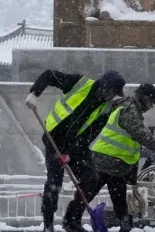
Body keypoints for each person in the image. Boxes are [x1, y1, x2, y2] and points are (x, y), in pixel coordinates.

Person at [61, 83, 155, 232]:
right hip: (106, 159)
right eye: (150, 102)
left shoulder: (129, 108)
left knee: (113, 193)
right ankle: (72, 220)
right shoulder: (129, 109)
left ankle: (122, 222)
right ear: (142, 98)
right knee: (92, 190)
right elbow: (140, 133)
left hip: (115, 162)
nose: (150, 106)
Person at [25, 69, 127, 232]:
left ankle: (72, 220)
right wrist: (35, 93)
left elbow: (89, 134)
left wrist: (70, 154)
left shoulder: (106, 108)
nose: (112, 97)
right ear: (104, 86)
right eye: (112, 92)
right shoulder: (81, 83)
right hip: (54, 140)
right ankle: (48, 225)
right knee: (54, 184)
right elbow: (50, 75)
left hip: (76, 145)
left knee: (91, 178)